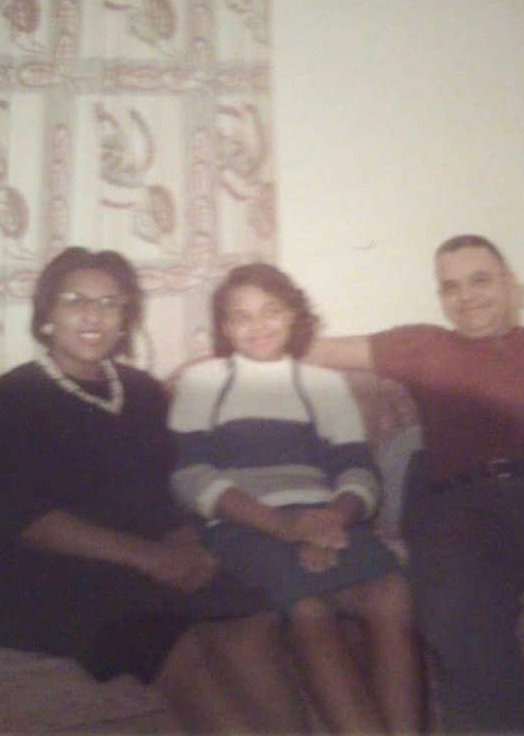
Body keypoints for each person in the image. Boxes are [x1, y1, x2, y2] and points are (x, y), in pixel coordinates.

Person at [0, 247, 311, 734]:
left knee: (249, 621)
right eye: (74, 301)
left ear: (125, 317)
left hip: (145, 559)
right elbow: (26, 518)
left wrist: (191, 542)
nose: (93, 315)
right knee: (180, 643)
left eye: (110, 303)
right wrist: (149, 558)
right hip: (44, 576)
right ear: (46, 315)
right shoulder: (10, 399)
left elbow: (175, 486)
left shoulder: (144, 392)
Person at [306, 233, 524, 733]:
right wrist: (215, 357)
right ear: (441, 298)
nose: (467, 296)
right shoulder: (424, 346)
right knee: (458, 602)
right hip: (463, 508)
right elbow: (320, 351)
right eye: (451, 287)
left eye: (480, 280)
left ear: (512, 285)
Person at [168, 263, 422, 734]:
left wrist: (331, 521)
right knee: (309, 607)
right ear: (224, 327)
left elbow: (357, 470)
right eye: (241, 316)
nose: (257, 325)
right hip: (244, 526)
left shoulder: (323, 385)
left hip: (326, 519)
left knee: (392, 594)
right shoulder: (204, 382)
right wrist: (281, 526)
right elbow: (189, 475)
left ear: (293, 316)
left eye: (270, 311)